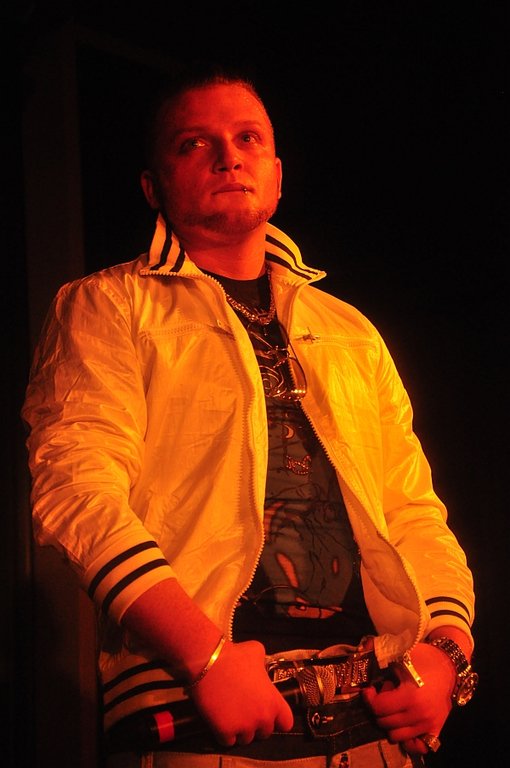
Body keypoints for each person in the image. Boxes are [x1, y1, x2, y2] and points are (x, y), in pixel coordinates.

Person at [22, 62, 477, 768]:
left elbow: (413, 506)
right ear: (153, 186)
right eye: (193, 144)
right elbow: (76, 487)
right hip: (198, 712)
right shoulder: (107, 305)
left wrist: (448, 652)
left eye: (247, 138)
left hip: (376, 713)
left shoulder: (350, 330)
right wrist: (204, 657)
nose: (228, 156)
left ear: (277, 174)